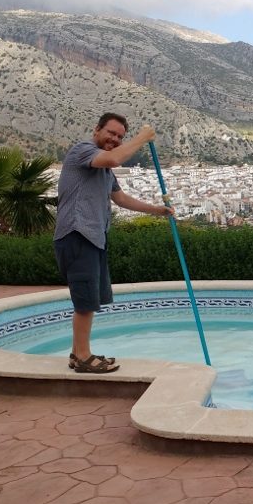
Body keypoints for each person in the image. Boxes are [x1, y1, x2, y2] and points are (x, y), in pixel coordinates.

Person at [54, 113, 174, 373]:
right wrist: (142, 138)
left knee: (90, 300)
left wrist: (157, 211)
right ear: (96, 129)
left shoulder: (105, 170)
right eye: (111, 133)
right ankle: (84, 358)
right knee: (85, 301)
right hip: (77, 235)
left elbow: (120, 199)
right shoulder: (83, 151)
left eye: (120, 136)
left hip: (94, 238)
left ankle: (79, 353)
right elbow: (113, 157)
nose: (115, 139)